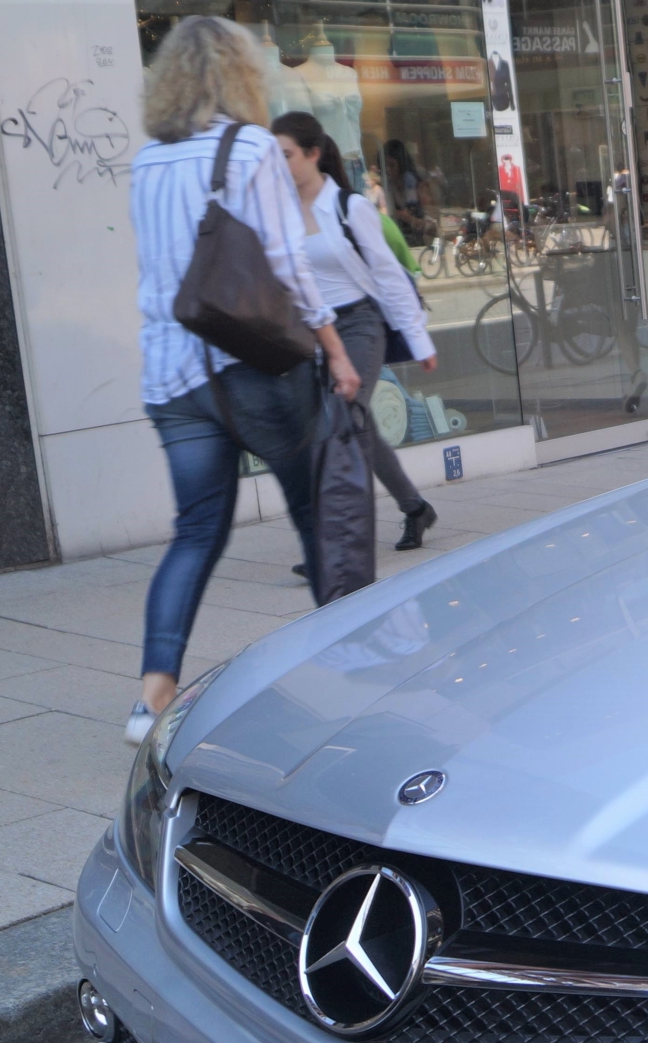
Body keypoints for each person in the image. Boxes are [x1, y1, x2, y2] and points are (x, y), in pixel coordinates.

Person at [127, 16, 356, 744]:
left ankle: (151, 697)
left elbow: (162, 272)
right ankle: (352, 676)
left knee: (195, 532)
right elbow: (287, 263)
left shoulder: (146, 161)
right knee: (317, 512)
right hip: (250, 367)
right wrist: (334, 347)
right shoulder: (252, 148)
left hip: (172, 377)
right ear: (239, 74)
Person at [270, 111, 441, 554]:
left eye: (285, 154)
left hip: (360, 324)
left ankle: (337, 541)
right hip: (311, 334)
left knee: (341, 425)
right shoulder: (278, 210)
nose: (278, 162)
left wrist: (418, 339)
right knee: (355, 427)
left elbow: (388, 276)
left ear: (312, 154)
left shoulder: (350, 206)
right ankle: (415, 507)